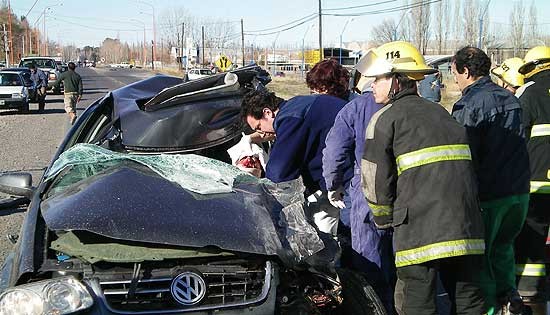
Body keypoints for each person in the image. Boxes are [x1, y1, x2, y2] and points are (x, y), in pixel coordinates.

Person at [360, 41, 486, 315]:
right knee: (468, 302)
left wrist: (383, 219)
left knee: (416, 301)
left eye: (378, 78)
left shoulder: (385, 119)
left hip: (418, 229)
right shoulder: (443, 113)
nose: (371, 85)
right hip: (465, 226)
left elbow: (374, 179)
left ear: (396, 80)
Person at [451, 46, 530, 315]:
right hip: (518, 191)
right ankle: (510, 298)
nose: (454, 80)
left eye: (454, 72)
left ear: (465, 71)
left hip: (489, 194)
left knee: (480, 257)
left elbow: (463, 152)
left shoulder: (469, 103)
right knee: (503, 248)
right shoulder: (510, 97)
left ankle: (490, 309)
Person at [322, 67, 395, 312]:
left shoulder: (354, 109)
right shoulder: (408, 106)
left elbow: (334, 152)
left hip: (366, 191)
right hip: (405, 191)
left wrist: (334, 186)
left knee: (368, 261)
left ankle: (374, 308)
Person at [240, 89, 353, 235]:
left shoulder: (291, 119)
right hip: (351, 169)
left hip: (352, 177)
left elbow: (279, 173)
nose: (261, 134)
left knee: (355, 236)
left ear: (268, 113)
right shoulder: (296, 105)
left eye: (259, 127)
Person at [515, 45, 550, 315]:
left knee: (531, 247)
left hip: (537, 187)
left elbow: (517, 138)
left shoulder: (529, 92)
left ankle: (530, 295)